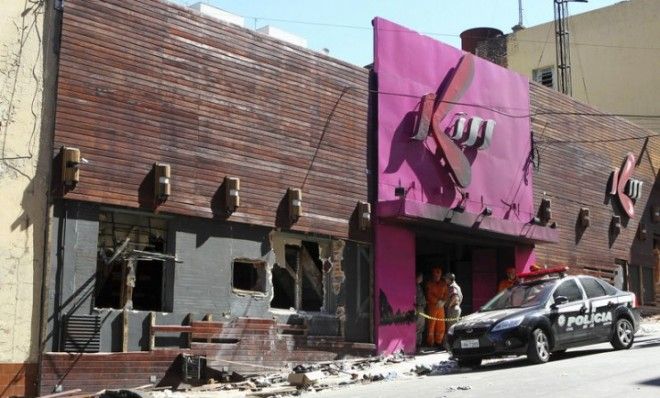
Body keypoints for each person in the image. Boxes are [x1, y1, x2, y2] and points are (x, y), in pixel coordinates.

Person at [425, 266, 448, 348]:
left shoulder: (443, 283)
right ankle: (430, 342)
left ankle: (439, 341)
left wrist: (443, 301)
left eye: (438, 276)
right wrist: (438, 301)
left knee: (441, 324)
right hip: (432, 306)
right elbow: (428, 295)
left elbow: (446, 294)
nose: (437, 277)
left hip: (441, 306)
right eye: (435, 276)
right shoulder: (429, 283)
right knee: (431, 325)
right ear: (433, 275)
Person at [415, 272, 426, 350]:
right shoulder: (414, 286)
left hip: (421, 307)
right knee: (418, 326)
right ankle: (416, 343)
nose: (422, 279)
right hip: (418, 307)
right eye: (420, 277)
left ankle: (419, 343)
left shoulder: (419, 286)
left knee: (421, 326)